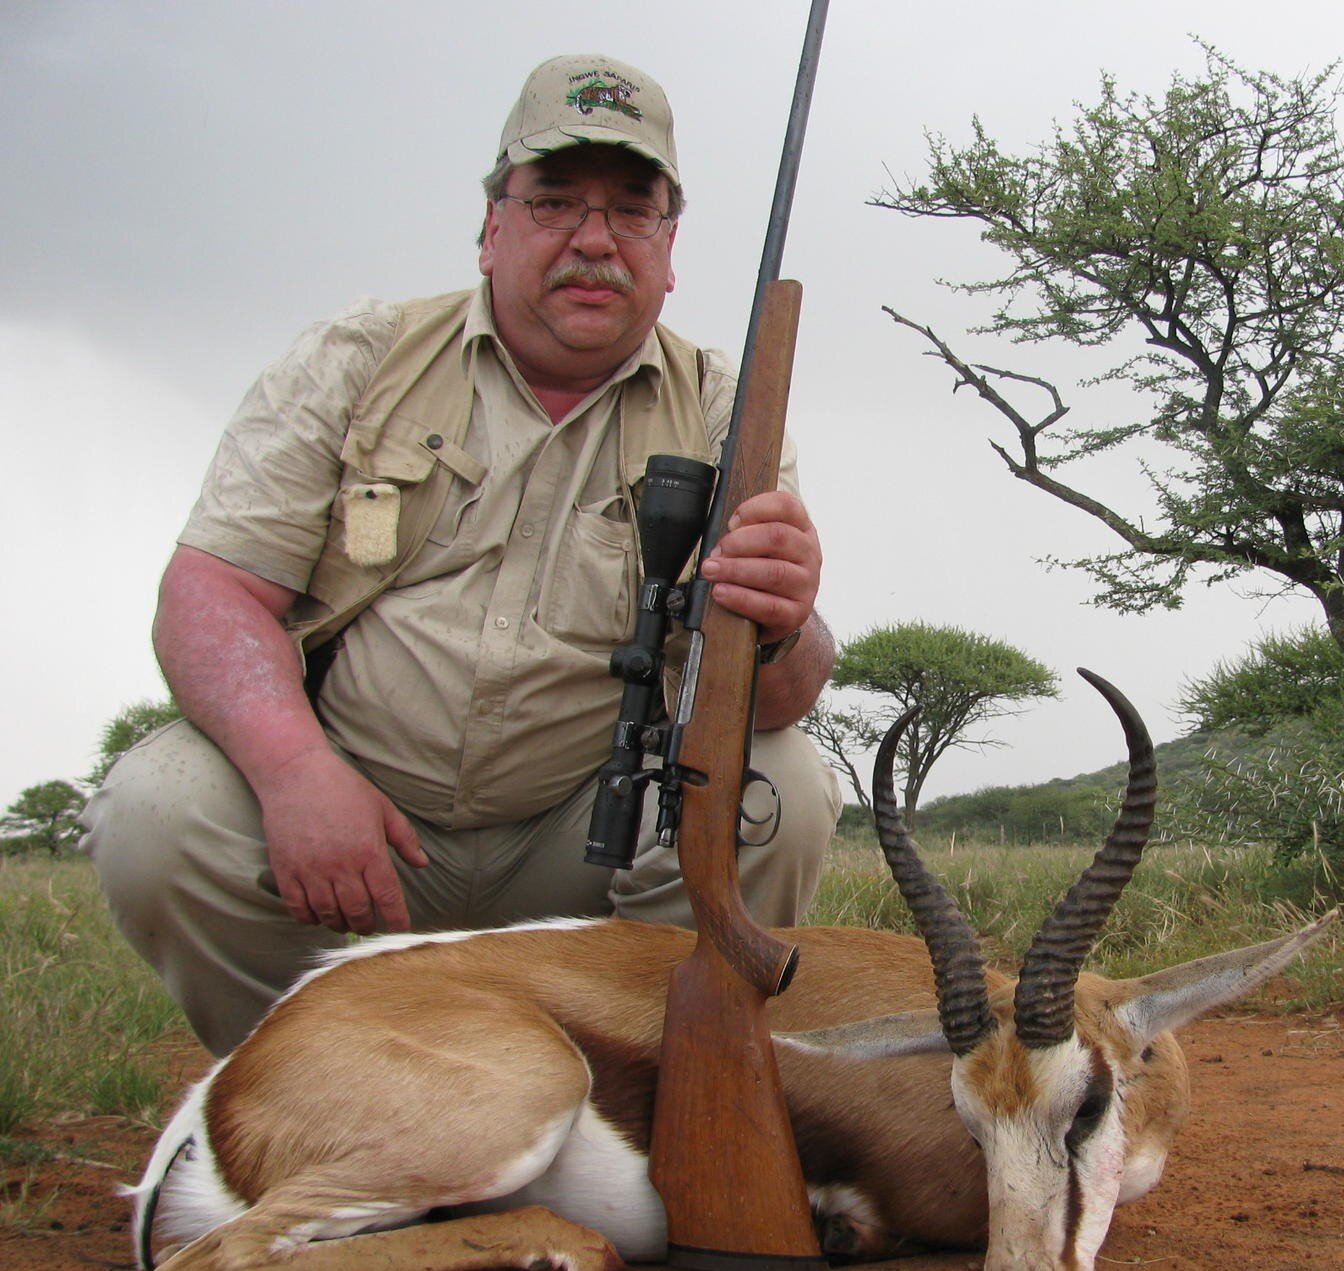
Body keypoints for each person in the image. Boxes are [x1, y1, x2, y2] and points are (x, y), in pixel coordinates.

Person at [81, 55, 842, 1056]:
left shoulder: (723, 406)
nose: (592, 240)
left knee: (784, 789)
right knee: (155, 813)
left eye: (630, 211)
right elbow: (212, 592)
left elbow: (775, 699)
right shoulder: (359, 358)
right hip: (357, 829)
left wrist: (784, 622)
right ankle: (321, 1087)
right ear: (493, 228)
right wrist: (297, 772)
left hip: (584, 837)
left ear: (669, 248)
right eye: (555, 201)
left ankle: (635, 1105)